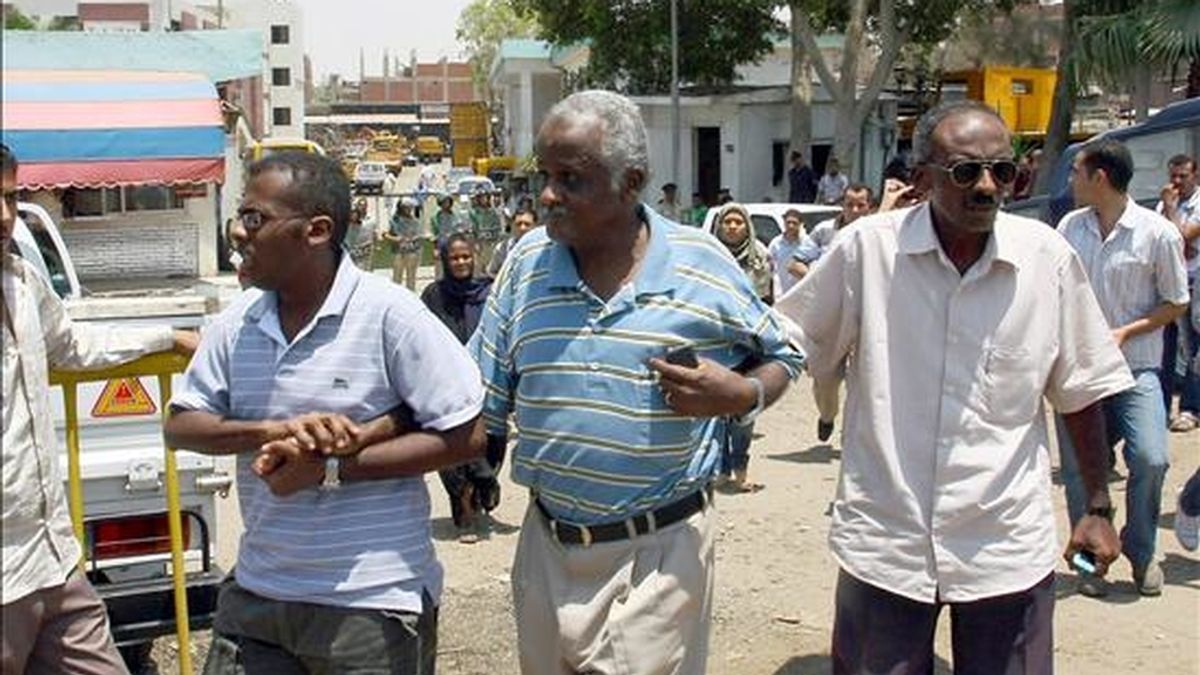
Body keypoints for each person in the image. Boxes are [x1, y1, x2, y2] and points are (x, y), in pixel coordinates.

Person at [775, 100, 1132, 674]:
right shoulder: (867, 251)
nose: (988, 186)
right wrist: (740, 391)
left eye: (1003, 172)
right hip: (887, 545)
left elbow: (1081, 389)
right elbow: (791, 340)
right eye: (966, 172)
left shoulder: (1047, 260)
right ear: (920, 179)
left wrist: (1096, 505)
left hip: (1004, 544)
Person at [470, 90, 803, 675]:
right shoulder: (525, 264)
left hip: (658, 553)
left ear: (633, 182)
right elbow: (482, 397)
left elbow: (786, 351)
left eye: (570, 178)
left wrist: (743, 394)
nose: (548, 196)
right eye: (544, 176)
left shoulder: (701, 264)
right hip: (546, 545)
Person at [163, 152, 486, 674]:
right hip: (258, 598)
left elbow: (467, 434)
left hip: (370, 607)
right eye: (239, 219)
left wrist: (332, 471)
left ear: (315, 231)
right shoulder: (237, 322)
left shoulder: (390, 314)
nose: (240, 235)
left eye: (255, 219)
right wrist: (275, 429)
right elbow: (180, 426)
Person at [1, 142, 198, 675]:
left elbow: (73, 348)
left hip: (53, 557)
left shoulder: (22, 281)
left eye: (10, 198)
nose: (4, 216)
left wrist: (169, 337)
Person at [1055, 138, 1189, 598]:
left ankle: (1141, 548)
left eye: (1076, 172)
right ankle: (1089, 563)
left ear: (1100, 179)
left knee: (1151, 458)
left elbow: (1176, 303)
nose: (1070, 180)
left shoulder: (1158, 233)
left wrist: (1127, 332)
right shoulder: (1069, 228)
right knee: (1077, 472)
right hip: (1080, 374)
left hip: (1138, 371)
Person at [420, 233, 506, 543]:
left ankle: (482, 486)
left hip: (487, 380)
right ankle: (464, 506)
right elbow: (422, 338)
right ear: (445, 260)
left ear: (474, 256)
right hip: (447, 385)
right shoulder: (433, 295)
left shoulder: (490, 293)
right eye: (454, 258)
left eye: (465, 256)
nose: (461, 262)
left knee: (493, 443)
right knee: (453, 446)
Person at [788, 183, 873, 442]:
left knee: (870, 377)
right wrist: (824, 280)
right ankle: (827, 416)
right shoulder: (825, 232)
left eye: (861, 205)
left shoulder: (879, 232)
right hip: (833, 316)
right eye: (850, 204)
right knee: (825, 378)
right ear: (842, 205)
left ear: (870, 207)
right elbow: (795, 264)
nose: (855, 210)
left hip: (869, 314)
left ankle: (858, 436)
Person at [712, 202, 775, 495]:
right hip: (714, 340)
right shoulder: (707, 253)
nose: (733, 226)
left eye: (738, 222)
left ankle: (740, 472)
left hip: (749, 343)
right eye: (728, 222)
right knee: (715, 413)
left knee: (745, 409)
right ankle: (721, 471)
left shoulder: (759, 256)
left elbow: (764, 299)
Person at [1158, 153, 1200, 432]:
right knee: (1165, 350)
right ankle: (1159, 411)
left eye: (1182, 176)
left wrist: (1172, 213)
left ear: (1194, 176)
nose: (1177, 182)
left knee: (1194, 348)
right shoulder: (1165, 204)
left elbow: (1184, 236)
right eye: (1173, 176)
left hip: (1195, 281)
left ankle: (1190, 408)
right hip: (1171, 282)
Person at [767, 208, 809, 299]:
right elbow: (769, 266)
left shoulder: (807, 243)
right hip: (780, 293)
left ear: (801, 224)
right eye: (788, 222)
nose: (791, 226)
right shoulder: (776, 243)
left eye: (794, 223)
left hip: (801, 294)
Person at [384, 197, 424, 291]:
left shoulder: (415, 221)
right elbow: (385, 234)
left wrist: (415, 238)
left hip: (412, 251)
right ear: (401, 208)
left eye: (410, 207)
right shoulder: (394, 220)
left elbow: (419, 235)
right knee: (397, 276)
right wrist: (395, 239)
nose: (409, 209)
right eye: (406, 207)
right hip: (398, 252)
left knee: (411, 276)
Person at [487, 206, 538, 277]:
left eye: (527, 224)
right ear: (512, 225)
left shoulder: (543, 247)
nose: (522, 228)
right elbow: (491, 272)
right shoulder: (502, 248)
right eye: (518, 224)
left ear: (535, 226)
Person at [469, 185, 504, 275]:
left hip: (492, 241)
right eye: (481, 198)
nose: (483, 200)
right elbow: (473, 229)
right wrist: (475, 242)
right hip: (481, 242)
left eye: (485, 197)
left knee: (492, 264)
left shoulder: (493, 212)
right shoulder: (474, 213)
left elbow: (498, 226)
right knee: (479, 265)